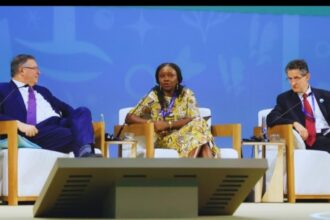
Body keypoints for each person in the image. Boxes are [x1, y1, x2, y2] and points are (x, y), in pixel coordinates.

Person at [0, 54, 101, 157]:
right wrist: (18, 124)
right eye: (35, 68)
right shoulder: (4, 90)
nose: (39, 72)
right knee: (76, 135)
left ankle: (85, 151)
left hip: (58, 122)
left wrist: (83, 123)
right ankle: (86, 154)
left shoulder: (43, 91)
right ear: (22, 70)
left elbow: (67, 109)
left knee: (83, 111)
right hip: (37, 130)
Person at [125, 62, 220, 158]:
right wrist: (151, 123)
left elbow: (193, 118)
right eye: (162, 76)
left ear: (178, 78)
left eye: (171, 76)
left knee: (199, 125)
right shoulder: (153, 96)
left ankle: (191, 166)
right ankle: (206, 169)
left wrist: (168, 125)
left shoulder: (186, 94)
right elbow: (129, 117)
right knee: (203, 141)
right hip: (164, 140)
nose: (166, 79)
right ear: (158, 80)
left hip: (188, 135)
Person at [267, 59, 330, 153]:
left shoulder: (325, 96)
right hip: (306, 141)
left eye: (296, 78)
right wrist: (294, 123)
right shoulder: (285, 99)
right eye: (290, 78)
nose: (293, 83)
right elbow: (271, 118)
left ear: (307, 76)